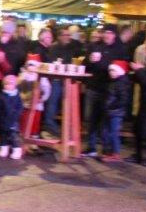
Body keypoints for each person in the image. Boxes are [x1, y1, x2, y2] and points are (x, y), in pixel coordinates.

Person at [82, 23, 129, 156]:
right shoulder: (95, 46)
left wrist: (101, 62)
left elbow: (119, 70)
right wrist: (90, 60)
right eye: (105, 32)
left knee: (106, 121)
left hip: (109, 91)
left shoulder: (120, 49)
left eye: (109, 33)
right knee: (91, 119)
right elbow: (86, 66)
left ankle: (106, 148)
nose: (106, 35)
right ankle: (91, 147)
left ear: (114, 35)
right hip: (94, 87)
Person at [45, 26, 85, 136]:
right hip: (56, 80)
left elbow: (79, 55)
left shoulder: (72, 47)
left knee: (68, 103)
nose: (68, 37)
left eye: (69, 35)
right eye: (65, 35)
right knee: (53, 102)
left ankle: (68, 128)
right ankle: (50, 125)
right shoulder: (54, 48)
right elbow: (52, 63)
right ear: (59, 36)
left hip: (67, 80)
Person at [100, 61, 130, 163]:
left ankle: (115, 153)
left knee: (113, 133)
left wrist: (112, 106)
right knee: (105, 132)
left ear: (119, 71)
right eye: (110, 71)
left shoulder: (121, 83)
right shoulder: (112, 82)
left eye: (113, 71)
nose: (111, 73)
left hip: (116, 112)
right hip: (109, 111)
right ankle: (107, 151)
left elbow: (123, 99)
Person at [0, 73, 24, 159]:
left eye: (10, 84)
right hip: (2, 120)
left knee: (13, 136)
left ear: (15, 85)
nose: (8, 86)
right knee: (3, 135)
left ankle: (16, 149)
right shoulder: (1, 96)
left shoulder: (17, 96)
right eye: (6, 84)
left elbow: (20, 107)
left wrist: (16, 116)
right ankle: (4, 149)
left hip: (13, 121)